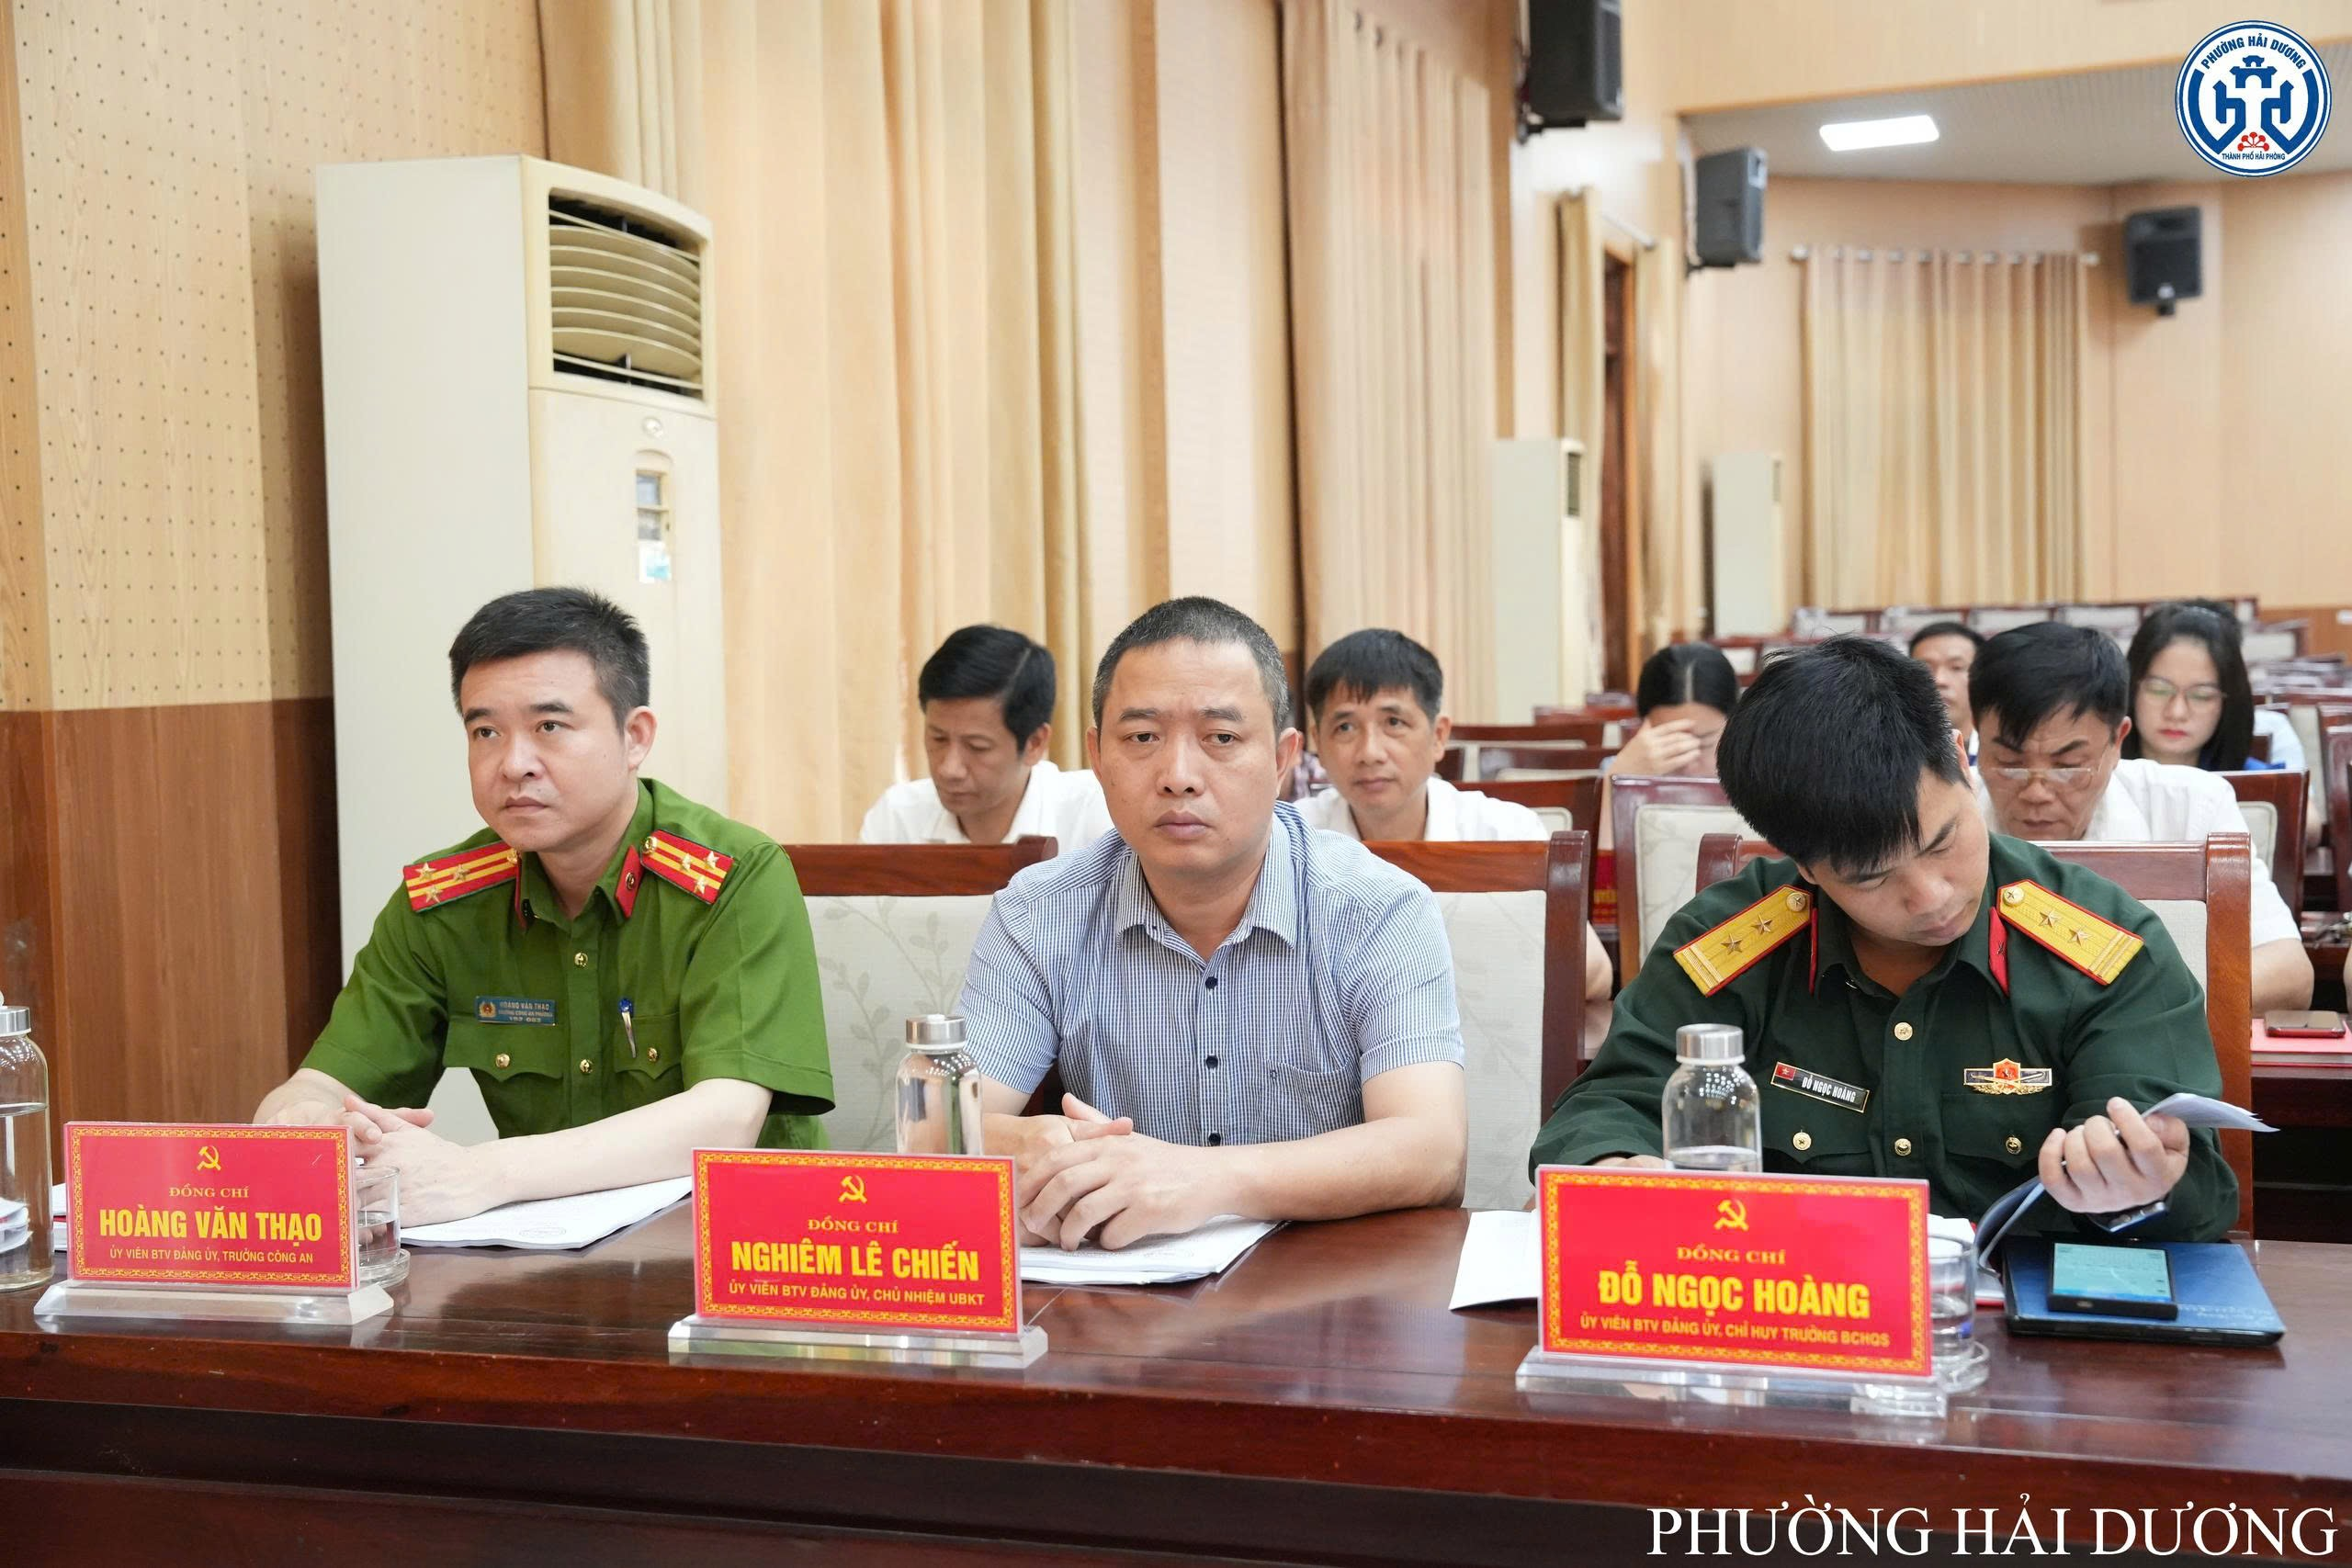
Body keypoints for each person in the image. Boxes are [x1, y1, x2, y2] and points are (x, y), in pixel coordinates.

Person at [1531, 637, 2234, 1240]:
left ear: (1961, 761)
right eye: (1872, 878)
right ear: (1806, 866)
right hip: (1798, 1313)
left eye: (1942, 841)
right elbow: (1607, 1107)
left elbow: (2199, 1190)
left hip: (2028, 1337)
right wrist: (1615, 1164)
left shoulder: (2099, 949)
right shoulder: (1734, 946)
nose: (1931, 896)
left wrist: (2141, 1185)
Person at [254, 589, 832, 1224]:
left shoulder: (735, 877)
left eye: (549, 727)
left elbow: (727, 1117)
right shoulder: (444, 904)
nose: (514, 764)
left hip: (743, 1240)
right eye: (486, 732)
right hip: (537, 1257)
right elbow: (325, 1082)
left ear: (634, 737)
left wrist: (480, 1172)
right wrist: (303, 1118)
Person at [960, 597, 1467, 1250]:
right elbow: (938, 1130)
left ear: (1283, 758)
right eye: (1142, 738)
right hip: (1117, 1293)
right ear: (1096, 756)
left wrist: (1202, 1178)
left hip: (1327, 1284)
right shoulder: (1039, 913)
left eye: (1221, 738)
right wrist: (1028, 1141)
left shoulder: (1379, 908)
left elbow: (1432, 1151)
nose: (1178, 777)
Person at [1970, 623, 2313, 1014]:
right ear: (1978, 738)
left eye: (2068, 766)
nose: (2036, 791)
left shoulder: (2191, 806)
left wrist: (2126, 1011)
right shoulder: (1944, 817)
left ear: (2118, 741)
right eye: (2010, 763)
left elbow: (2288, 974)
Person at [1295, 627, 1611, 998]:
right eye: (1345, 727)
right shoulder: (1292, 839)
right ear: (1318, 742)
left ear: (1439, 736)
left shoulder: (1503, 833)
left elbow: (1594, 975)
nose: (1370, 752)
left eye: (1394, 723)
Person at [860, 625, 1112, 852]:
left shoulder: (1099, 816)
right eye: (938, 739)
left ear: (1034, 744)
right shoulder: (897, 819)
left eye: (977, 747)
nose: (949, 769)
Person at [2123, 600, 2301, 773]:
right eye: (2159, 690)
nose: (2177, 713)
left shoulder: (2265, 786)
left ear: (2228, 701)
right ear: (2130, 688)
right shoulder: (2106, 779)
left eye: (2201, 695)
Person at [1596, 642, 1740, 850]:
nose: (1686, 761)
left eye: (1704, 742)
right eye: (1670, 742)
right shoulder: (1619, 770)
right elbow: (1604, 869)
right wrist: (1617, 784)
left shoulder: (1758, 776)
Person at [1907, 620, 1984, 757]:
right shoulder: (1887, 754)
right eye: (1925, 669)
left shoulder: (2003, 753)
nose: (1939, 680)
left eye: (1956, 667)